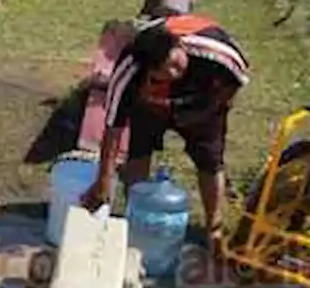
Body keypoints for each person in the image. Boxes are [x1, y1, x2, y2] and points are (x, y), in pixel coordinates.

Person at [81, 13, 250, 257]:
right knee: (138, 154)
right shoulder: (130, 69)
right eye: (161, 73)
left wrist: (213, 109)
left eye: (176, 64)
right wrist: (103, 181)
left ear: (180, 46)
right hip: (150, 107)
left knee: (210, 161)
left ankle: (214, 227)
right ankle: (137, 216)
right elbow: (113, 126)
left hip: (202, 105)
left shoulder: (216, 52)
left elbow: (237, 80)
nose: (172, 73)